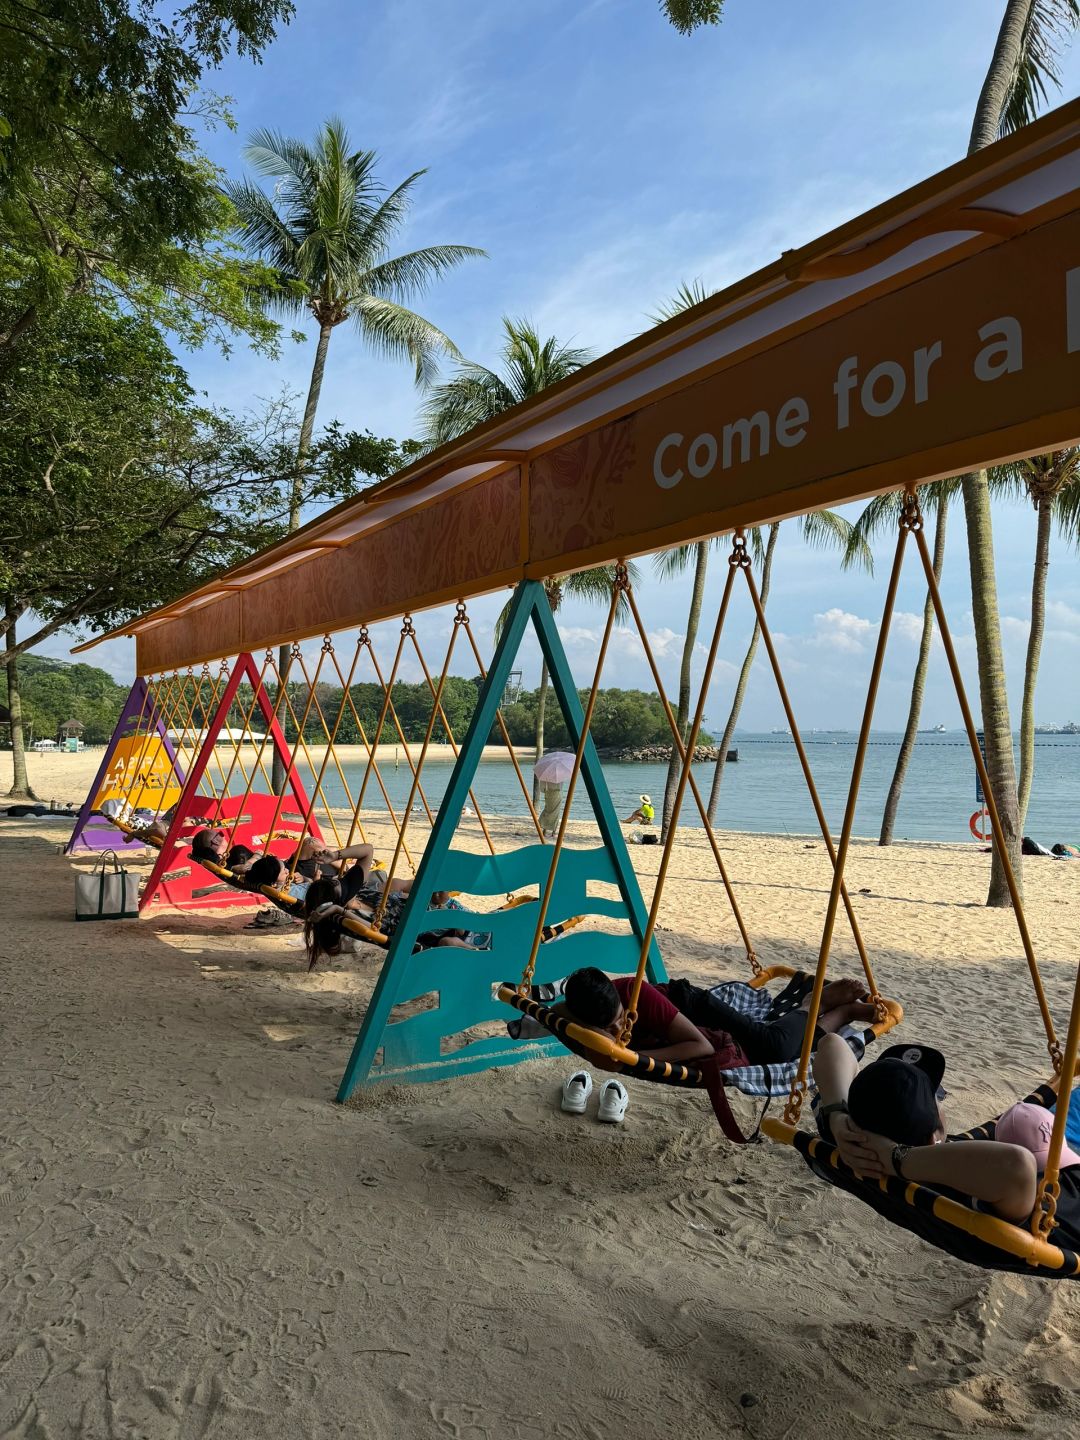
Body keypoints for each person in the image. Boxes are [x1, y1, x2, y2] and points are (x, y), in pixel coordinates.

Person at [812, 1034, 1080, 1243]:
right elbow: (1018, 1164)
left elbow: (831, 1043)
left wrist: (836, 1116)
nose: (942, 1101)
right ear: (933, 1138)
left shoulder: (853, 1141)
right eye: (937, 1098)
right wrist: (898, 1159)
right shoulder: (967, 1188)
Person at [555, 968, 877, 1124]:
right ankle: (844, 1012)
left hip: (695, 1009)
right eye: (607, 1029)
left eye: (622, 1019)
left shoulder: (637, 994)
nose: (618, 1029)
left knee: (775, 1047)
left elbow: (701, 1047)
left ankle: (810, 1003)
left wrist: (632, 1058)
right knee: (783, 1048)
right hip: (674, 1030)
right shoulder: (580, 1013)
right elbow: (556, 1012)